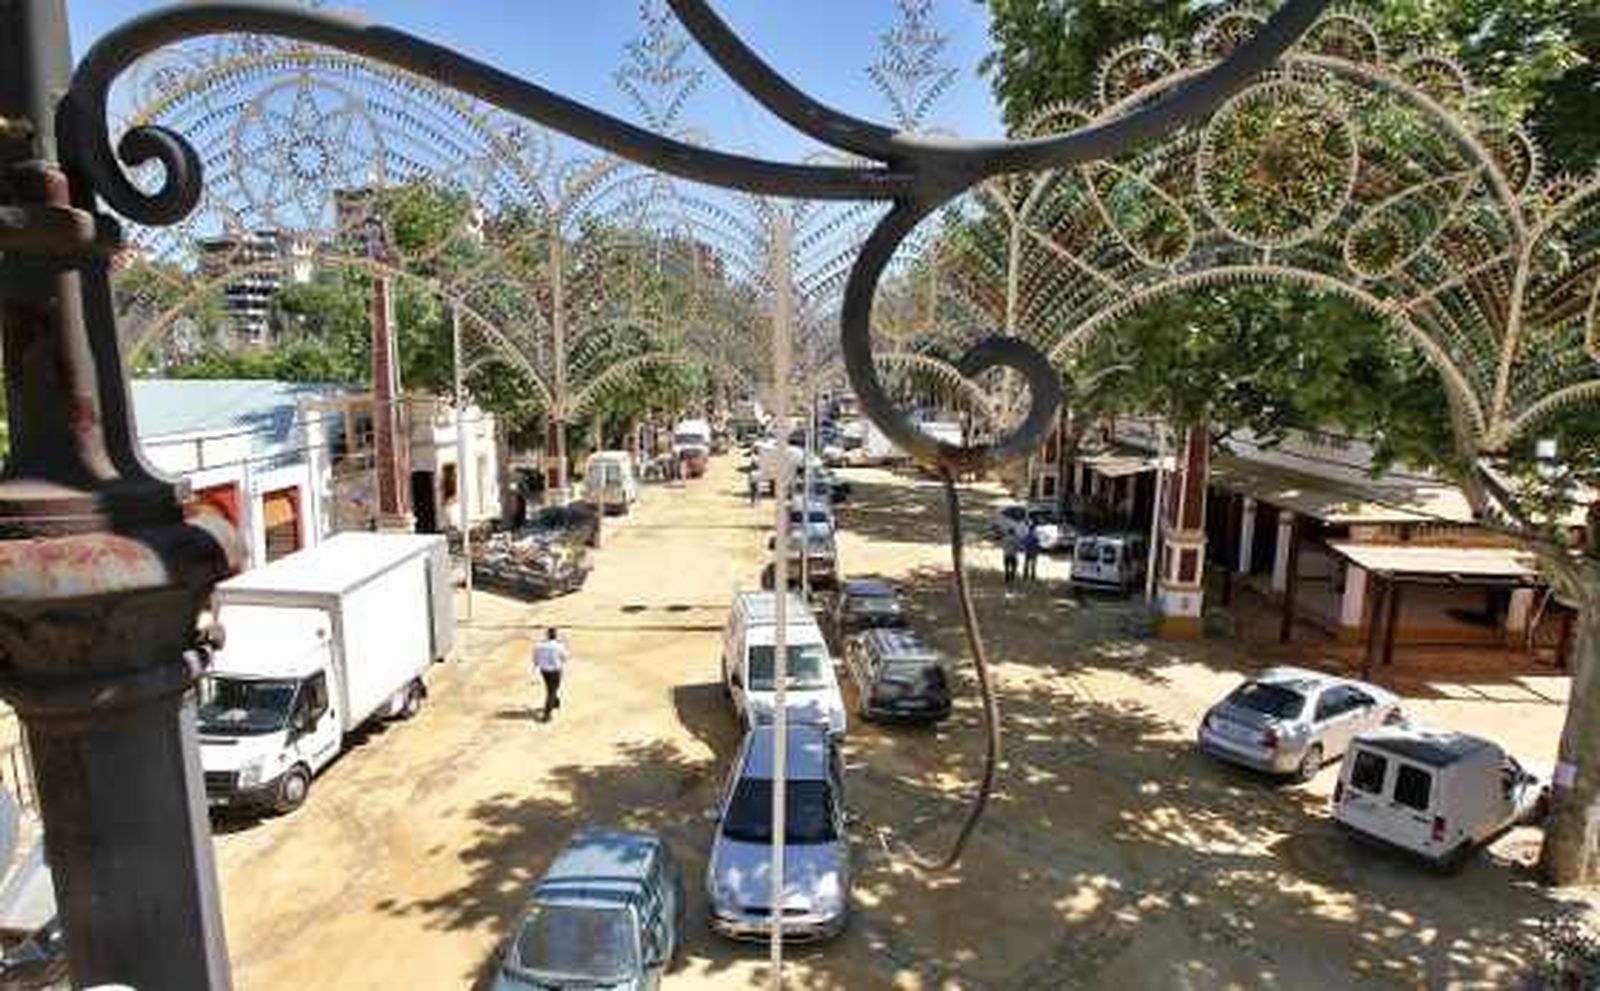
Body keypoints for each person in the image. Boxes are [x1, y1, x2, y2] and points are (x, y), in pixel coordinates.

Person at [532, 627, 568, 720]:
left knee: (550, 687)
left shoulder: (539, 645)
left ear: (547, 635)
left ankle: (555, 701)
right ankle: (547, 714)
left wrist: (537, 665)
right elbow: (564, 658)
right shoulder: (559, 646)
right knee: (552, 690)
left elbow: (535, 658)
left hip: (544, 670)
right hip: (555, 670)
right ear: (555, 635)